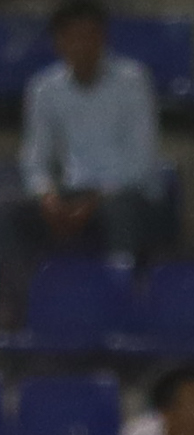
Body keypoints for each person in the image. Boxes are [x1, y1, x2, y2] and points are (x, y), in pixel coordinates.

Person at [5, 0, 167, 262]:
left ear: (103, 38)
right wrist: (46, 195)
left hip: (128, 193)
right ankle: (21, 298)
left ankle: (121, 294)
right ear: (58, 42)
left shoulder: (133, 81)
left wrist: (93, 202)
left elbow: (141, 162)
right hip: (73, 190)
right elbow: (35, 158)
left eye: (90, 36)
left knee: (118, 212)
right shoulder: (44, 89)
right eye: (73, 37)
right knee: (9, 214)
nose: (83, 46)